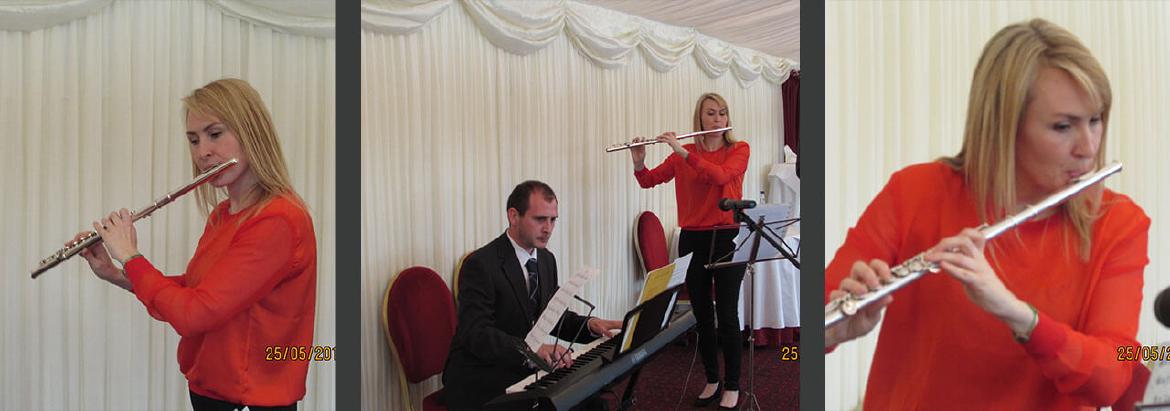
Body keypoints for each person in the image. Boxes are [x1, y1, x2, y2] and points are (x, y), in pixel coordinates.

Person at [825, 19, 1149, 409]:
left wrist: (1018, 315)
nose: (1088, 146)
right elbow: (806, 336)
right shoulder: (915, 191)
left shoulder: (1117, 223)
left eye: (1095, 120)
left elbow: (1113, 376)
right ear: (1003, 125)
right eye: (1063, 126)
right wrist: (834, 330)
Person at [76, 78, 317, 411]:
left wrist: (131, 256)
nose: (203, 152)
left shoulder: (278, 220)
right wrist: (116, 273)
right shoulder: (223, 215)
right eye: (193, 139)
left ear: (251, 133)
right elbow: (195, 292)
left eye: (215, 134)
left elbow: (194, 315)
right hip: (212, 391)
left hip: (249, 399)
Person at [443, 180, 623, 410]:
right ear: (513, 216)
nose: (548, 228)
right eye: (540, 219)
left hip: (523, 366)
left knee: (591, 402)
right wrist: (531, 350)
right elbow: (476, 334)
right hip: (482, 374)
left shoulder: (546, 260)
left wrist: (592, 324)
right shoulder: (480, 264)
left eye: (553, 220)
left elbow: (552, 314)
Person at [629, 92, 750, 409]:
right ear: (700, 118)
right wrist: (639, 160)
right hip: (693, 240)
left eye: (723, 113)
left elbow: (719, 176)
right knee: (703, 316)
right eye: (711, 113)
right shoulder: (683, 156)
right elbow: (648, 181)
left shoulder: (738, 150)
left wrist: (682, 151)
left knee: (727, 314)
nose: (718, 119)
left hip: (726, 238)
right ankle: (712, 379)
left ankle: (734, 385)